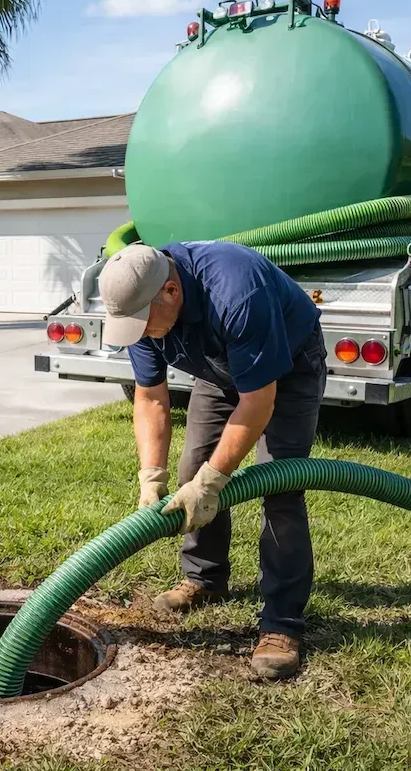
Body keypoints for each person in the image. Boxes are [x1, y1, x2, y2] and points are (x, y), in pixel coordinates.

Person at [98, 240, 326, 679]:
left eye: (145, 323)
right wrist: (151, 476)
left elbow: (258, 401)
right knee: (191, 471)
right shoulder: (138, 305)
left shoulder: (236, 292)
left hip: (287, 365)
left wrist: (213, 481)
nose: (141, 332)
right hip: (218, 367)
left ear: (171, 290)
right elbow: (150, 398)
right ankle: (205, 578)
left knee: (278, 483)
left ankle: (282, 623)